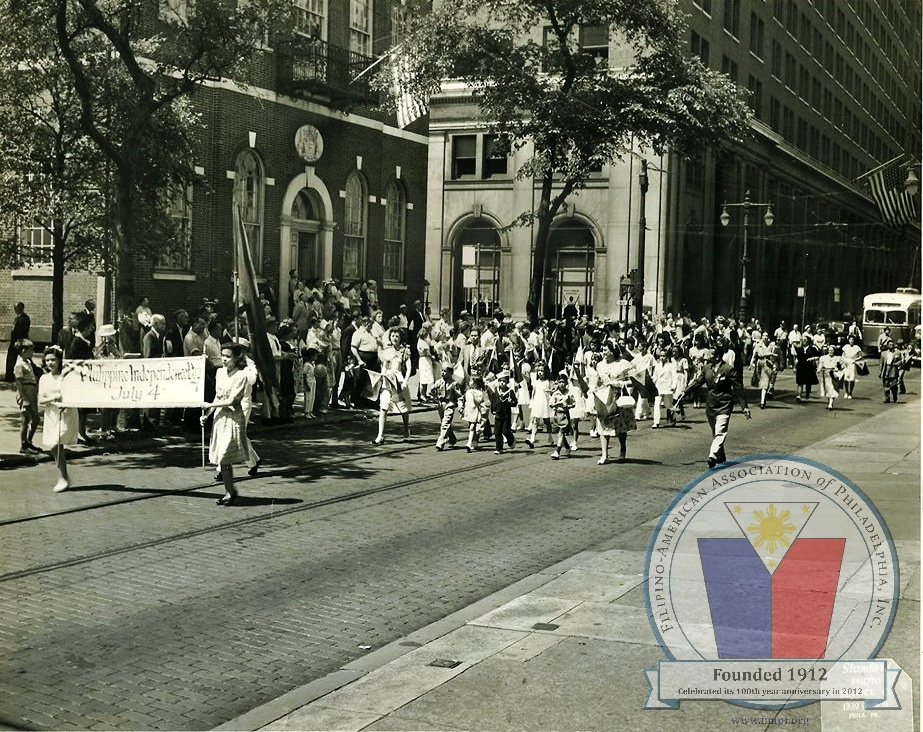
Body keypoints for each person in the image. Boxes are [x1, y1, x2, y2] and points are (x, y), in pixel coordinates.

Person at [200, 343, 256, 506]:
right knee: (222, 459)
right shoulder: (219, 373)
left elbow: (233, 400)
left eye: (228, 356)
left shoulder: (242, 376)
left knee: (225, 455)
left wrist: (210, 405)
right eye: (223, 355)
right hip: (219, 417)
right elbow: (218, 396)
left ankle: (230, 491)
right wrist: (207, 415)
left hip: (233, 418)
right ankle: (229, 491)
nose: (224, 359)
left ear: (236, 358)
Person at [677, 347, 751, 468]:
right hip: (711, 405)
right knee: (715, 433)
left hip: (724, 405)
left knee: (720, 432)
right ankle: (721, 457)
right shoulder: (707, 368)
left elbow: (738, 388)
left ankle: (712, 456)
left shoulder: (728, 369)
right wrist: (685, 392)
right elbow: (698, 381)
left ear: (717, 357)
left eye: (710, 354)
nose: (707, 356)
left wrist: (744, 407)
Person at [38, 346, 78, 492]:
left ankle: (63, 477)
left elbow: (74, 394)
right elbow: (40, 400)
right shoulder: (44, 378)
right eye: (47, 360)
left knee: (57, 442)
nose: (50, 363)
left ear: (60, 360)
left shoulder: (66, 376)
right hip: (52, 414)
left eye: (53, 360)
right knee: (54, 445)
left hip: (66, 412)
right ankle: (63, 477)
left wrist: (66, 403)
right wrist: (54, 398)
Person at [593, 341, 635, 464]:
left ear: (612, 350)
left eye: (605, 350)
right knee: (603, 425)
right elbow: (598, 381)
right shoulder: (600, 365)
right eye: (602, 350)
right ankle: (604, 455)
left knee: (620, 427)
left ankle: (623, 449)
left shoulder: (623, 363)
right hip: (604, 397)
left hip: (619, 397)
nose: (603, 352)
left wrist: (620, 383)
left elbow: (633, 380)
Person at [372, 328, 412, 444]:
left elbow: (409, 367)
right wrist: (382, 374)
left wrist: (405, 381)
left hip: (398, 383)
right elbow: (384, 366)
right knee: (383, 407)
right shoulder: (387, 351)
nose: (394, 338)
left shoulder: (404, 351)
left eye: (397, 336)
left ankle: (406, 429)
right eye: (393, 336)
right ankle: (380, 435)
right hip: (387, 382)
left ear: (400, 338)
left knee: (403, 409)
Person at [13, 339, 41, 453]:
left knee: (36, 419)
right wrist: (24, 398)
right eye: (31, 350)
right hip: (26, 391)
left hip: (32, 390)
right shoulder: (19, 364)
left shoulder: (28, 362)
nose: (32, 352)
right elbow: (19, 383)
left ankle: (28, 442)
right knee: (26, 419)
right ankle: (24, 445)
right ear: (24, 351)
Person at [433, 364, 462, 450]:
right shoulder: (439, 382)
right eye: (442, 370)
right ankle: (452, 438)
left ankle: (441, 441)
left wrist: (460, 406)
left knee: (445, 423)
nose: (443, 373)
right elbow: (432, 390)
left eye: (445, 371)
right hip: (441, 404)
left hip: (450, 404)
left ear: (451, 373)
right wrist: (434, 395)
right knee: (444, 422)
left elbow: (459, 396)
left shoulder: (454, 384)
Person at [488, 369, 517, 454]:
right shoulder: (496, 391)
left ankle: (511, 440)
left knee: (506, 431)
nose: (502, 383)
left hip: (506, 415)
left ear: (507, 382)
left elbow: (515, 402)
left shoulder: (510, 392)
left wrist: (510, 402)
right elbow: (493, 402)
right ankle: (499, 448)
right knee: (497, 432)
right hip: (498, 414)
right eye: (500, 381)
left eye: (504, 381)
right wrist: (493, 410)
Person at [547, 375, 576, 459]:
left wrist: (567, 406)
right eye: (560, 382)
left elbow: (573, 404)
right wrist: (558, 403)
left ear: (566, 383)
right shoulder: (555, 393)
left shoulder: (569, 393)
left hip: (564, 415)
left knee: (561, 432)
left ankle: (557, 451)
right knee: (559, 433)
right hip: (557, 415)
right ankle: (567, 447)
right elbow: (551, 404)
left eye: (563, 382)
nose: (561, 384)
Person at [5, 301, 31, 381]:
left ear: (22, 308)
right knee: (11, 359)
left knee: (24, 358)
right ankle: (9, 376)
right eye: (15, 308)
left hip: (20, 342)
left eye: (17, 308)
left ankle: (33, 373)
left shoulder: (25, 318)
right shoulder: (17, 318)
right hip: (14, 341)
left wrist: (19, 341)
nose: (15, 310)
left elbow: (24, 331)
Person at [817, 344, 843, 411]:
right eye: (829, 350)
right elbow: (821, 364)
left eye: (832, 350)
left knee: (832, 389)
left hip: (834, 375)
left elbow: (842, 366)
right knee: (828, 390)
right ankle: (830, 402)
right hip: (826, 374)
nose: (830, 351)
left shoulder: (838, 358)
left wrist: (837, 368)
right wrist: (818, 370)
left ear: (834, 351)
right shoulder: (823, 357)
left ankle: (830, 404)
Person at [839, 334, 864, 399]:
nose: (851, 341)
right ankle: (846, 392)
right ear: (848, 340)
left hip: (853, 364)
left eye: (852, 339)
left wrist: (855, 360)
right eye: (850, 339)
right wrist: (844, 360)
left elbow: (861, 356)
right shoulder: (846, 347)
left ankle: (850, 393)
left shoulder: (857, 347)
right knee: (846, 379)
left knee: (852, 379)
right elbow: (843, 355)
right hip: (846, 364)